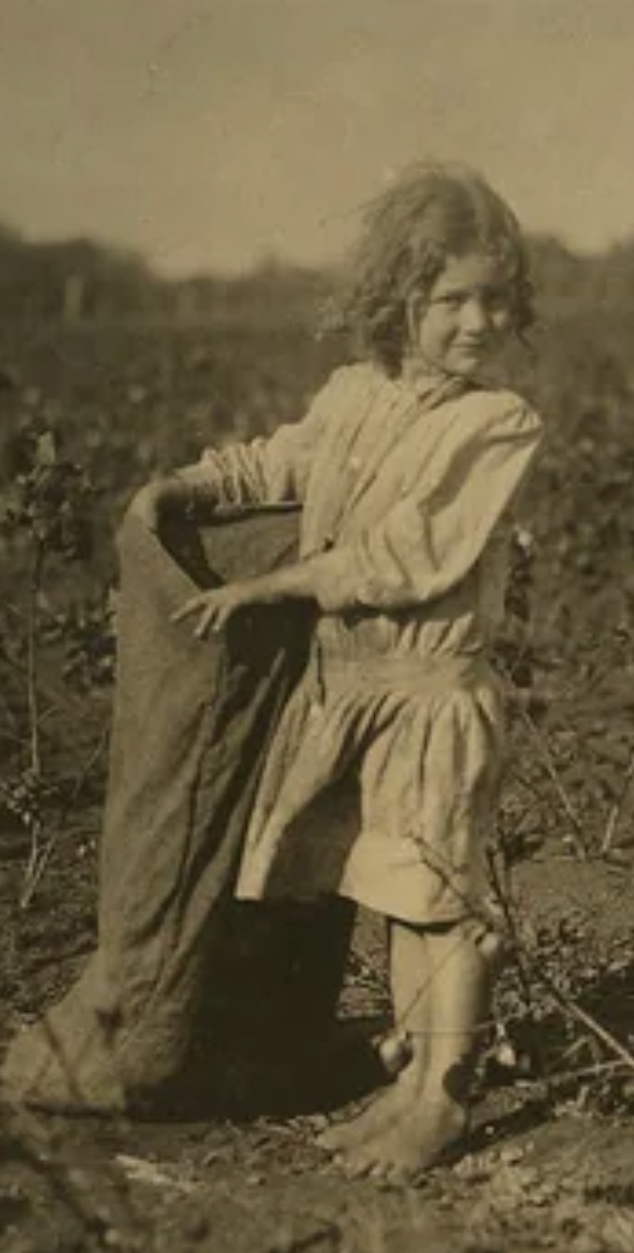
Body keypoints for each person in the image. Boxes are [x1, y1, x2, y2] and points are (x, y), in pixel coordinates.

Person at [127, 162, 544, 1174]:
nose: (477, 322)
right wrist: (187, 486)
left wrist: (270, 590)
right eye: (452, 299)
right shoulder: (354, 397)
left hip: (429, 697)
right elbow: (281, 462)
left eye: (495, 298)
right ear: (398, 299)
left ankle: (441, 1099)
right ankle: (412, 1085)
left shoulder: (495, 425)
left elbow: (408, 557)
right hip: (350, 691)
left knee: (433, 899)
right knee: (390, 894)